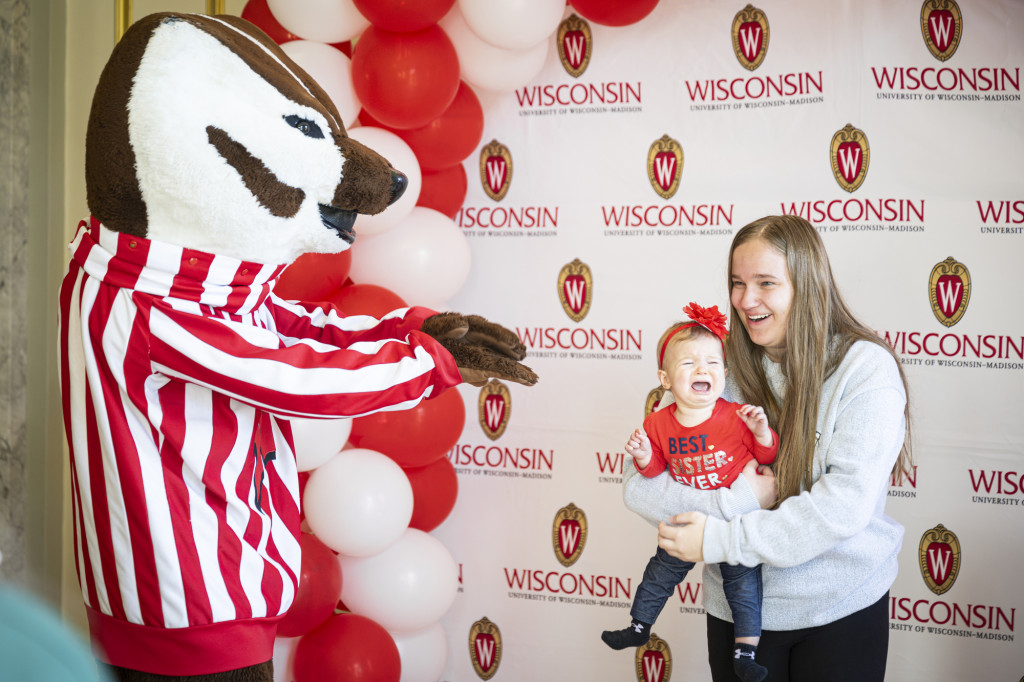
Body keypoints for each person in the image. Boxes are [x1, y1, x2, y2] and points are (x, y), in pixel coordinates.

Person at [622, 215, 913, 682]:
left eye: (765, 283)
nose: (744, 300)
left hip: (839, 607)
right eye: (737, 283)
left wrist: (720, 539)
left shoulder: (865, 370)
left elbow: (843, 508)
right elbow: (640, 489)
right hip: (739, 616)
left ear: (808, 285)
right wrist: (736, 502)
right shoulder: (712, 364)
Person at [602, 303, 777, 682]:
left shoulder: (734, 415)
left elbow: (766, 461)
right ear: (665, 380)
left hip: (734, 524)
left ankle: (745, 651)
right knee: (659, 572)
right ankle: (638, 626)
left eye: (713, 364)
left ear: (725, 374)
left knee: (744, 586)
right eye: (689, 365)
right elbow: (652, 473)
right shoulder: (658, 422)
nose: (703, 371)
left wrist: (762, 432)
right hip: (688, 523)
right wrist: (645, 455)